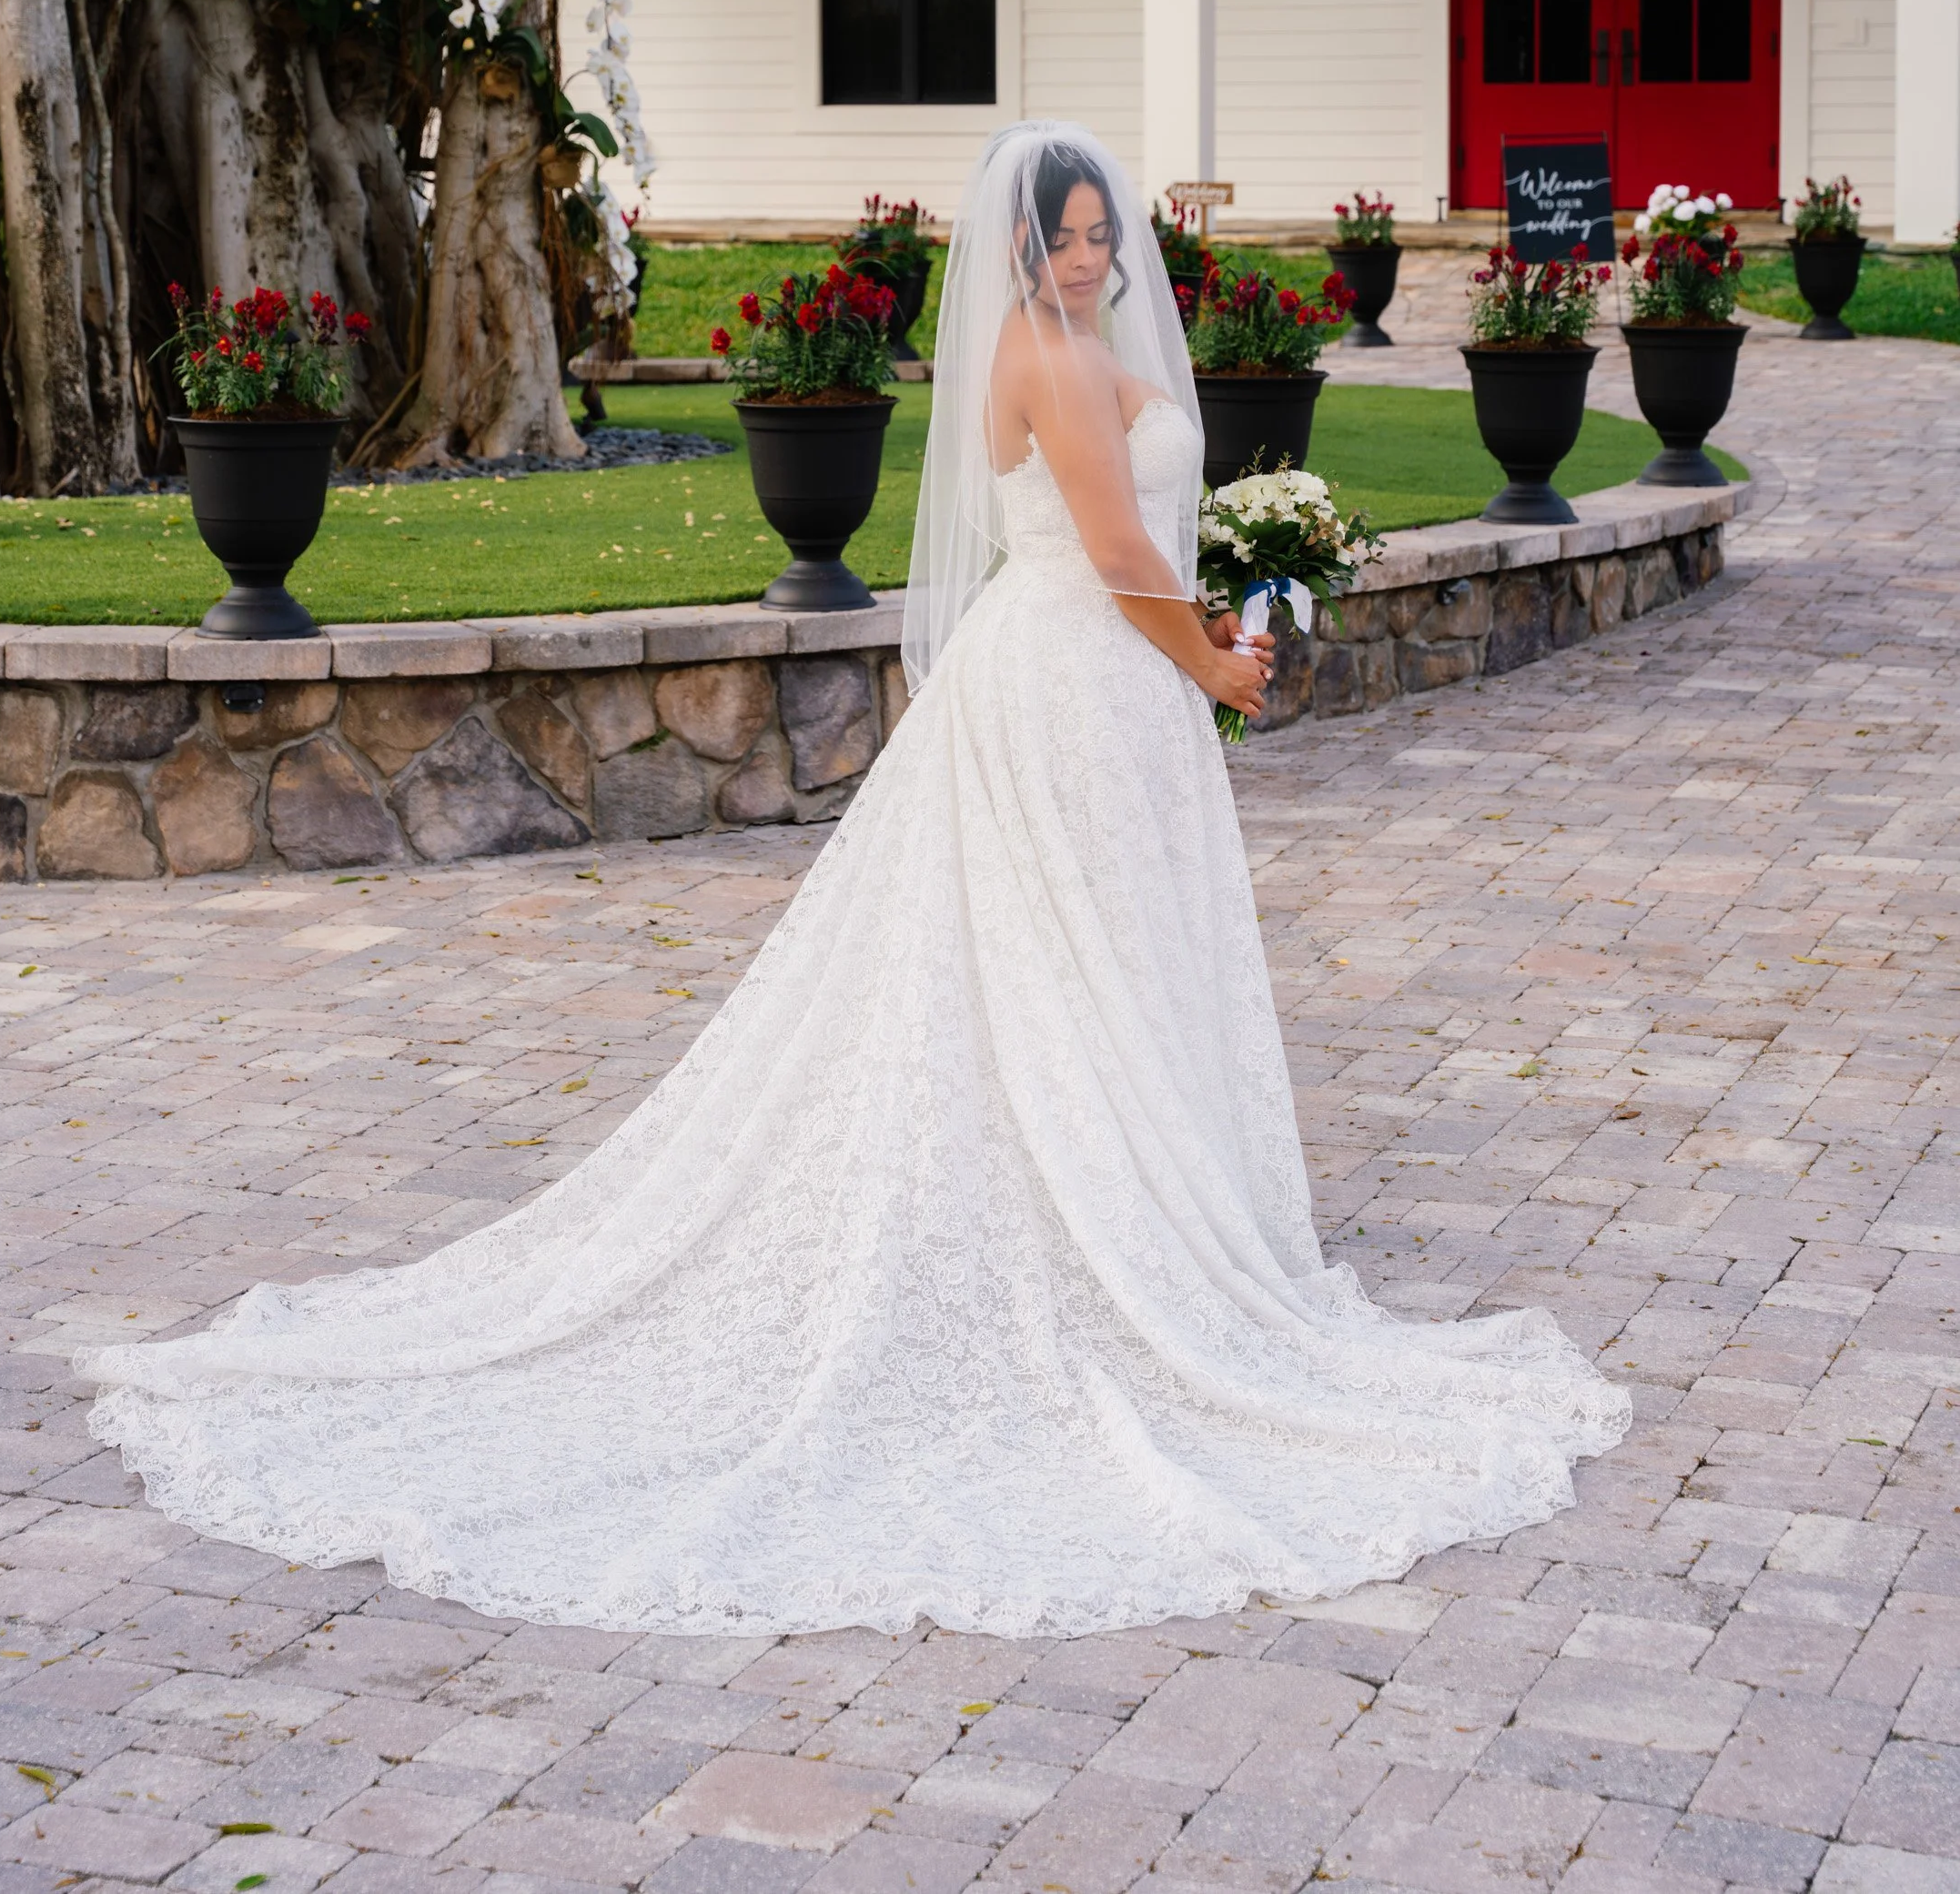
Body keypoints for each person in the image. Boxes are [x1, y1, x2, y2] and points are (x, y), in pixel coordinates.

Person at [82, 121, 1628, 1634]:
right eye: (1065, 236)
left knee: (1111, 961)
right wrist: (1215, 666)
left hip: (1124, 689)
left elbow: (1159, 524)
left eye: (1103, 233)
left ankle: (1140, 1199)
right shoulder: (1037, 353)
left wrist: (1228, 608)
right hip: (1072, 683)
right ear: (1021, 251)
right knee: (1045, 959)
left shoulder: (1095, 343)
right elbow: (1105, 548)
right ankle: (1076, 1236)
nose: (1090, 257)